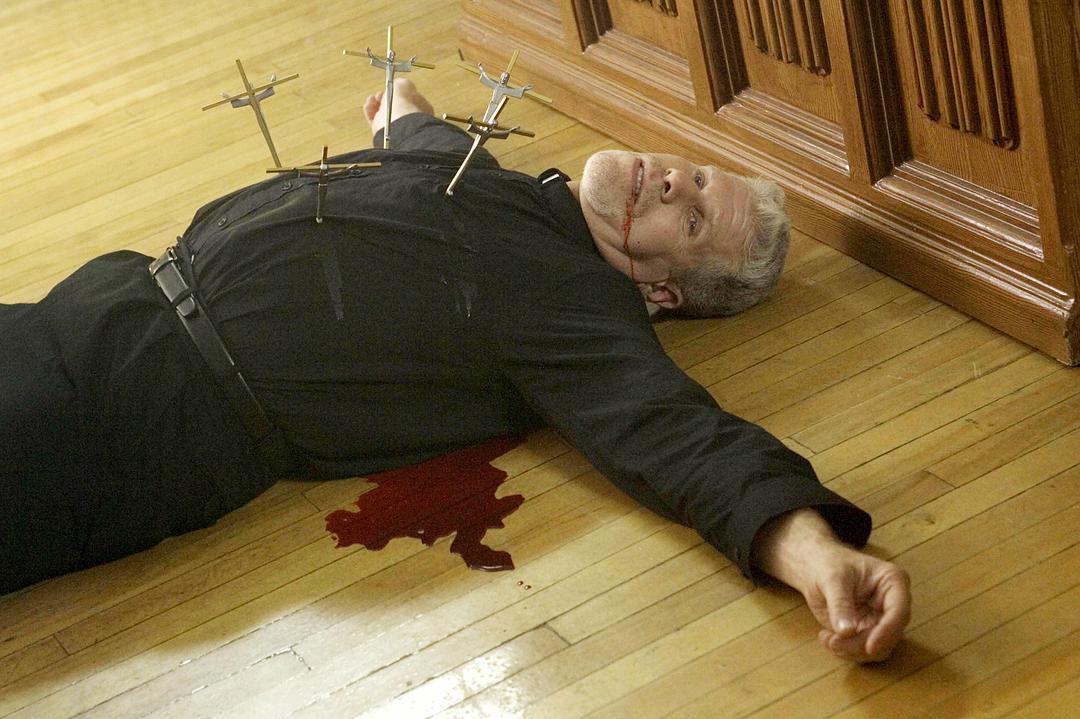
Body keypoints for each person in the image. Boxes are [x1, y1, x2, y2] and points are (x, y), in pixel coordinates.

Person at [0, 79, 909, 662]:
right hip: (91, 306)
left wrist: (812, 552)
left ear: (662, 293)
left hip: (120, 421)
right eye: (699, 176)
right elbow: (424, 149)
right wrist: (403, 105)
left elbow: (678, 437)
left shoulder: (577, 312)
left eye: (696, 221)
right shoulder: (501, 186)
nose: (677, 182)